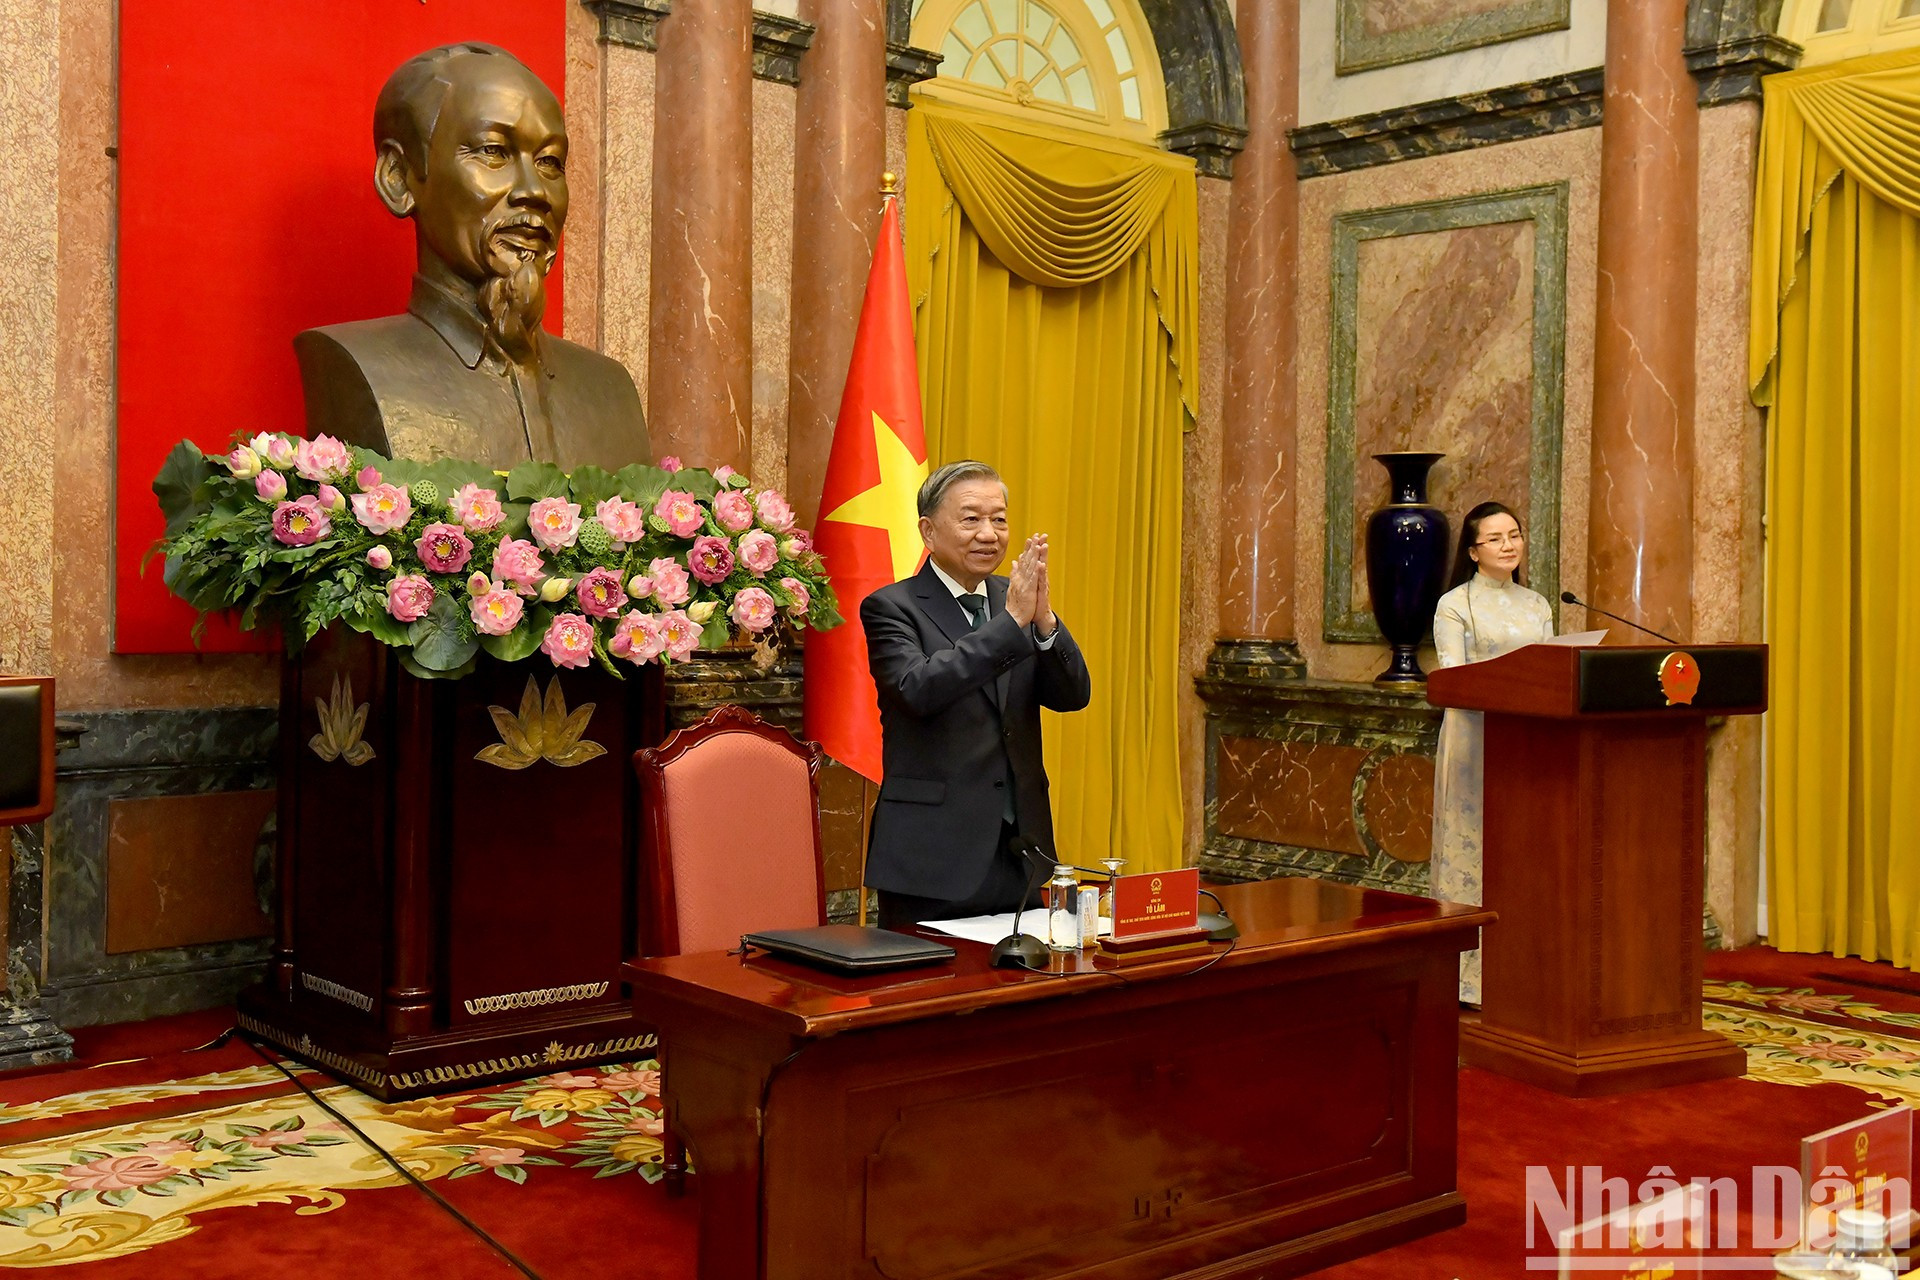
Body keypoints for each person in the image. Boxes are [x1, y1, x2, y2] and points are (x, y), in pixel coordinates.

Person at [295, 43, 648, 471]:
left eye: (550, 162)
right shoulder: (352, 365)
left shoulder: (610, 389)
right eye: (493, 151)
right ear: (399, 179)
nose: (534, 191)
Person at [861, 461, 1093, 928]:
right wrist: (1011, 625)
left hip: (1018, 848)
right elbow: (918, 689)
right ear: (928, 531)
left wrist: (1045, 622)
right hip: (930, 855)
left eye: (1000, 519)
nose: (989, 534)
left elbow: (1073, 695)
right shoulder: (892, 607)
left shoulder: (1019, 600)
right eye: (971, 519)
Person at [1430, 501, 1554, 1004]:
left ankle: (1524, 967)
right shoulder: (1455, 604)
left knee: (1525, 853)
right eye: (1496, 538)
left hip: (1528, 741)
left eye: (1515, 535)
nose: (1508, 545)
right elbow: (1453, 678)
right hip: (1474, 740)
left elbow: (1552, 674)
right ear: (1474, 551)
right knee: (1472, 849)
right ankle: (1466, 980)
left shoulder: (1538, 604)